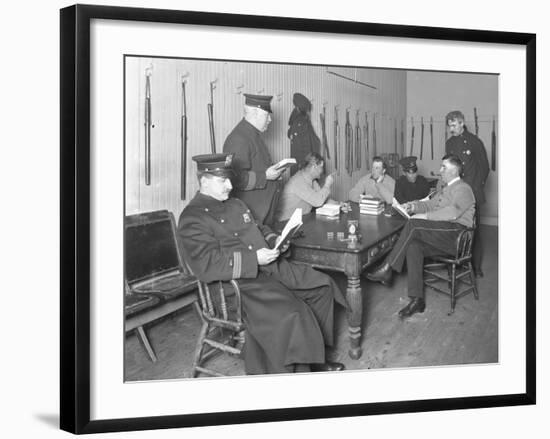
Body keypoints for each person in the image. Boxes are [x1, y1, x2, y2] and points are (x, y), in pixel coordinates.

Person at [178, 152, 347, 375]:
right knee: (294, 312)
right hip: (237, 286)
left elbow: (260, 229)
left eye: (230, 179)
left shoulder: (236, 204)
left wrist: (275, 240)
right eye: (222, 181)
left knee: (322, 285)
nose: (230, 186)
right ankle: (297, 371)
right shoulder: (193, 217)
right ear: (204, 181)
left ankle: (316, 357)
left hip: (267, 269)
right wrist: (253, 259)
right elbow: (207, 265)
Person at [365, 154, 475, 319]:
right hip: (444, 233)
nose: (440, 170)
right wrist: (412, 206)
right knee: (413, 246)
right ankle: (417, 300)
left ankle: (387, 267)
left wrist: (424, 217)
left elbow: (452, 212)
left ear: (453, 171)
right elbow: (430, 204)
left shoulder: (463, 188)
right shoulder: (445, 188)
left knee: (414, 224)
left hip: (457, 236)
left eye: (443, 167)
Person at [223, 93, 284, 227]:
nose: (270, 120)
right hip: (252, 214)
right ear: (255, 113)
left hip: (262, 211)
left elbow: (258, 165)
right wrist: (266, 176)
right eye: (266, 115)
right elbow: (235, 178)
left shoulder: (253, 135)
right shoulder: (239, 138)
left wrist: (274, 172)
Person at [445, 110, 490, 277]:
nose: (451, 129)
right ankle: (455, 262)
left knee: (473, 231)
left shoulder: (474, 141)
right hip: (455, 194)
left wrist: (475, 187)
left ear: (462, 123)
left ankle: (476, 266)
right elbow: (449, 168)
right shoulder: (450, 143)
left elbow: (484, 167)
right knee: (454, 228)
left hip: (472, 193)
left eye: (454, 125)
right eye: (449, 126)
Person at [275, 152, 334, 222]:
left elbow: (322, 198)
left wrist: (340, 205)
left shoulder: (312, 181)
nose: (323, 171)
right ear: (314, 166)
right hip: (284, 223)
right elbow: (318, 201)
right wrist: (327, 185)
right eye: (321, 167)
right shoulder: (298, 181)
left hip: (299, 221)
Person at [287, 93, 321, 175]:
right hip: (303, 167)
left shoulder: (300, 122)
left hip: (301, 167)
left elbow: (305, 147)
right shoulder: (301, 122)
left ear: (297, 108)